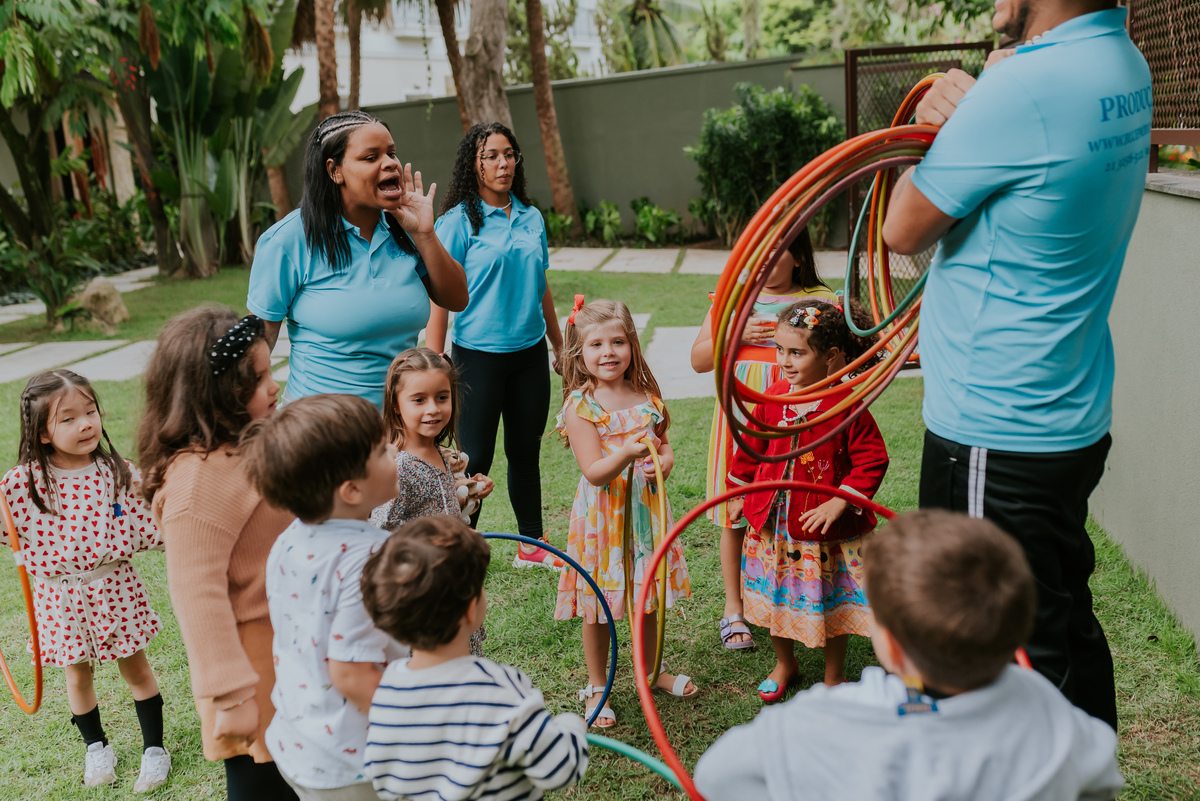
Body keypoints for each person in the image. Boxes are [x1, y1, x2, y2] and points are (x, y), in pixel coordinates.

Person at [881, 0, 1150, 730]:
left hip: (994, 431)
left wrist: (944, 123)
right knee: (1060, 619)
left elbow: (901, 228)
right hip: (1068, 415)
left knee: (998, 659)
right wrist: (990, 96)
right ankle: (1091, 772)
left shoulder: (1024, 89)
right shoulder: (1122, 62)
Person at [694, 510, 1123, 801]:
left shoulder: (823, 720)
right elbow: (1101, 778)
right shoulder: (1045, 709)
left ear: (891, 647)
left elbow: (714, 776)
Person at [139, 307, 298, 801]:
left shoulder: (249, 445)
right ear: (217, 393)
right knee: (262, 779)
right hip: (254, 663)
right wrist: (230, 696)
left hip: (295, 644)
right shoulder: (195, 482)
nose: (274, 387)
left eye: (271, 370)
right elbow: (196, 596)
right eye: (258, 379)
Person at [2, 370, 169, 792]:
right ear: (42, 433)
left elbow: (154, 525)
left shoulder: (117, 473)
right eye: (69, 418)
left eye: (90, 412)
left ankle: (155, 751)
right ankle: (96, 748)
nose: (86, 424)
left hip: (114, 587)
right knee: (76, 676)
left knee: (136, 668)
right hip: (58, 598)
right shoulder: (23, 485)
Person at [240, 394, 409, 800]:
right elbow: (353, 673)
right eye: (383, 450)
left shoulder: (290, 539)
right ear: (351, 489)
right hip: (356, 760)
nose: (395, 452)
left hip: (301, 740)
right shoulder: (370, 558)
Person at [247, 110, 468, 408]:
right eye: (371, 157)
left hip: (397, 433)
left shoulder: (404, 229)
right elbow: (262, 343)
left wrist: (425, 234)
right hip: (319, 433)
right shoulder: (287, 241)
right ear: (334, 170)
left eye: (391, 153)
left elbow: (457, 299)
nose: (390, 162)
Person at [726, 300, 889, 700]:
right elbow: (751, 445)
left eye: (797, 352)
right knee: (775, 595)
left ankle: (834, 674)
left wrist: (841, 501)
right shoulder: (773, 395)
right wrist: (736, 489)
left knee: (831, 603)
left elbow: (872, 457)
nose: (784, 360)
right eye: (779, 350)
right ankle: (785, 662)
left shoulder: (847, 402)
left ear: (831, 357)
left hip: (823, 531)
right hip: (773, 525)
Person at [361, 516, 589, 800]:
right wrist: (571, 727)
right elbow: (557, 769)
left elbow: (381, 776)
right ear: (471, 610)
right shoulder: (497, 686)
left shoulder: (386, 690)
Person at [690, 228, 838, 650]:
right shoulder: (734, 298)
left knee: (791, 506)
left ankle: (796, 600)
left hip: (800, 417)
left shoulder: (820, 299)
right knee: (736, 508)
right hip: (741, 418)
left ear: (798, 256)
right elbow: (699, 360)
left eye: (780, 252)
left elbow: (838, 362)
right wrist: (734, 334)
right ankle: (734, 608)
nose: (768, 262)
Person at [555, 298, 697, 728]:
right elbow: (595, 472)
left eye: (618, 341)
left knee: (647, 596)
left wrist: (663, 462)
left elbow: (664, 444)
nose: (609, 352)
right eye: (596, 344)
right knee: (599, 604)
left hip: (645, 513)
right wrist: (629, 453)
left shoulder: (646, 396)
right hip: (604, 519)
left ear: (632, 343)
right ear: (579, 353)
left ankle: (650, 672)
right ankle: (597, 685)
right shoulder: (581, 406)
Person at [425, 122, 563, 547]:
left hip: (529, 357)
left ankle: (532, 546)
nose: (503, 163)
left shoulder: (531, 216)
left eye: (509, 154)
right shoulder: (456, 223)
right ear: (475, 164)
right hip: (476, 360)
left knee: (526, 455)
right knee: (472, 459)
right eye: (491, 156)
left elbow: (540, 285)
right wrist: (433, 366)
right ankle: (460, 543)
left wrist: (559, 345)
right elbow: (440, 298)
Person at [369, 346, 494, 654]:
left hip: (451, 581)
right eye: (418, 400)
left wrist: (466, 494)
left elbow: (437, 505)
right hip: (422, 594)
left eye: (442, 397)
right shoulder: (399, 467)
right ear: (396, 405)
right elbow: (378, 534)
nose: (434, 409)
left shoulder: (437, 450)